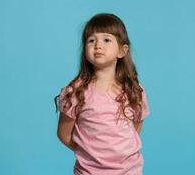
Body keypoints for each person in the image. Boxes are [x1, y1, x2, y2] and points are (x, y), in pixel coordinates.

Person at [56, 13, 150, 175]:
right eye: (91, 40)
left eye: (106, 40)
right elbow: (64, 134)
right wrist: (90, 153)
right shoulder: (76, 92)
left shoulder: (134, 90)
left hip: (129, 171)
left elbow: (135, 126)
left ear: (122, 50)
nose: (98, 45)